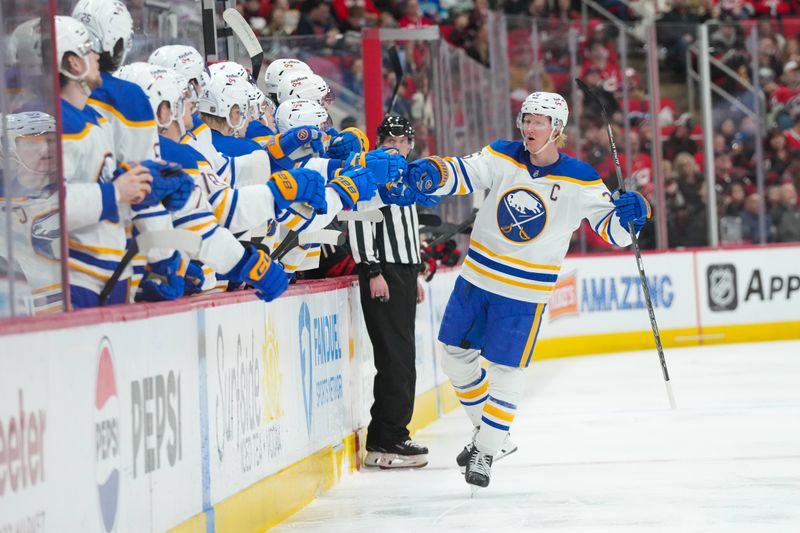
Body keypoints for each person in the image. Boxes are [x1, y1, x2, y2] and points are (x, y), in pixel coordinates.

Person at [400, 92, 650, 489]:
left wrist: (634, 215)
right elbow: (465, 172)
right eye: (526, 119)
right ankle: (494, 437)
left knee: (505, 371)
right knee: (454, 358)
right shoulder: (502, 155)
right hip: (477, 278)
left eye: (539, 122)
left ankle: (485, 450)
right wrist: (435, 171)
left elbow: (617, 234)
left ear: (558, 129)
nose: (529, 128)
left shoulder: (581, 178)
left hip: (523, 293)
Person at [349, 115, 429, 469]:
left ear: (411, 145)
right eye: (388, 139)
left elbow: (408, 229)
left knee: (401, 358)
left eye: (401, 140)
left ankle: (386, 436)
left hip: (403, 272)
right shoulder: (374, 174)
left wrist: (415, 274)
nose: (394, 145)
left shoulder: (405, 178)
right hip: (385, 272)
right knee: (395, 358)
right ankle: (390, 438)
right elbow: (361, 221)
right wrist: (372, 270)